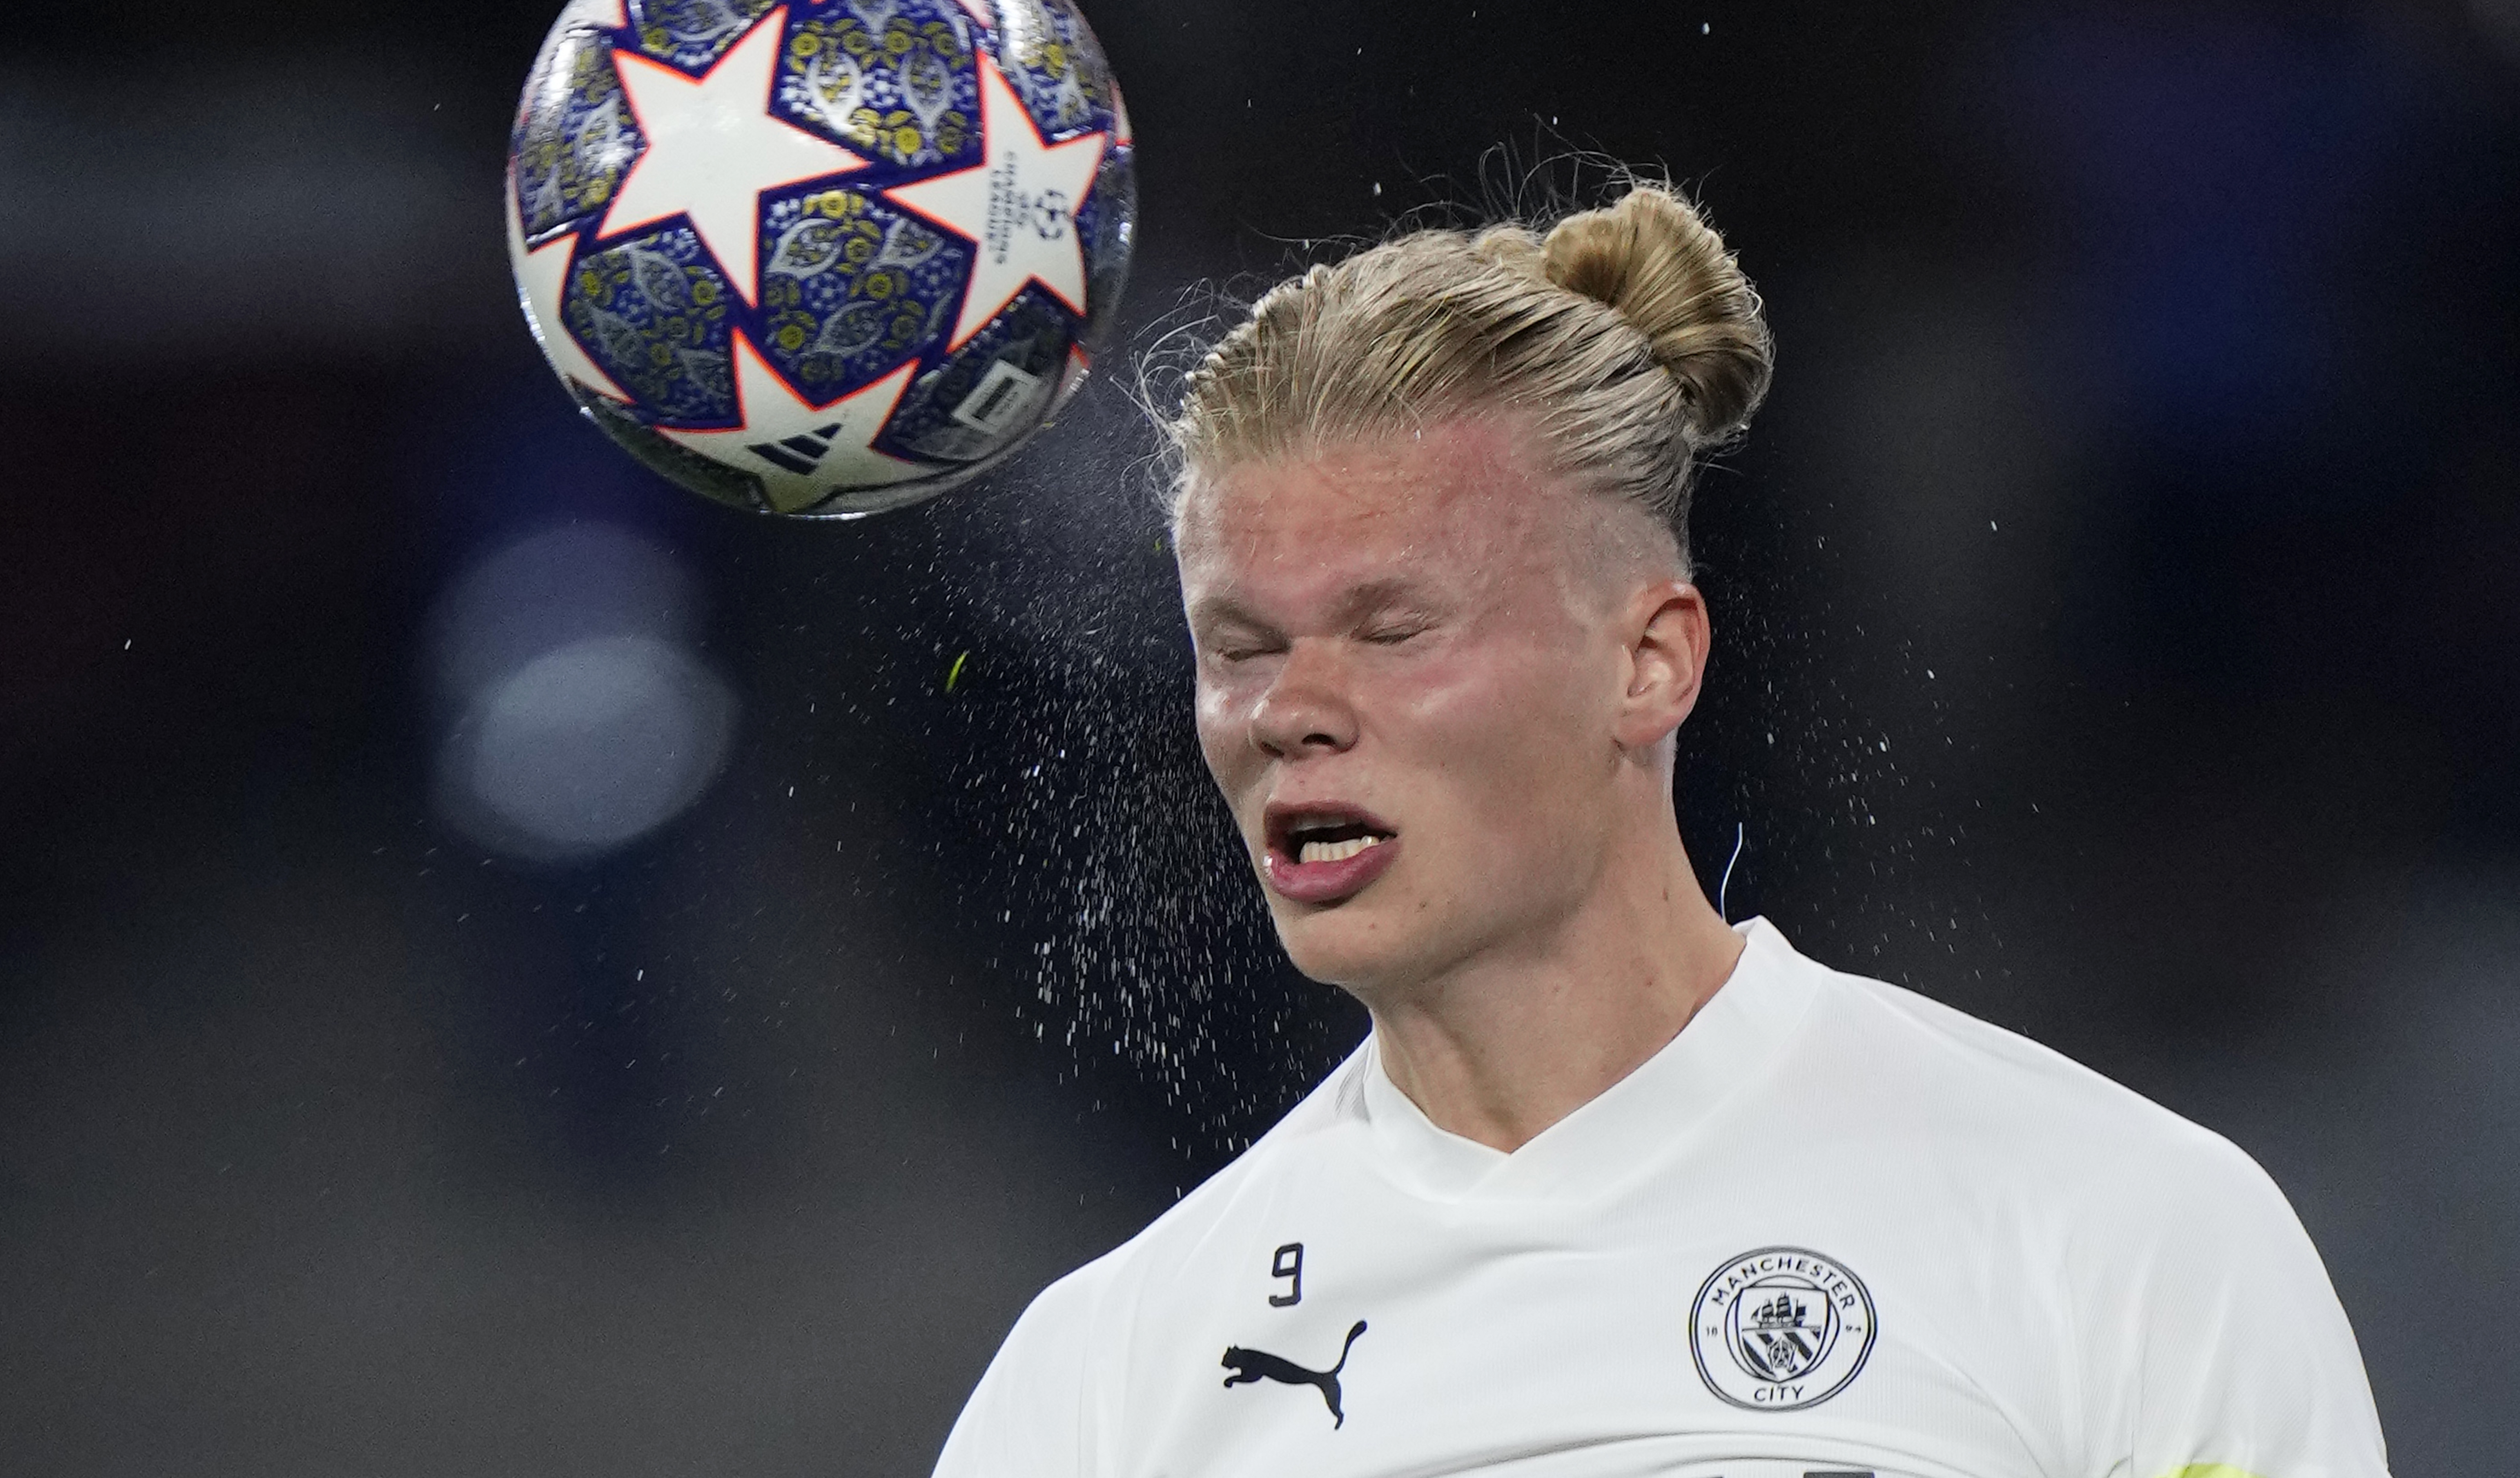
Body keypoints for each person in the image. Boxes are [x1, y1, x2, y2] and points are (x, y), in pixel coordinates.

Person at [932, 182, 2389, 1477]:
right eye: (1239, 649)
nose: (1289, 712)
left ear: (1650, 663)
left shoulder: (2114, 1235)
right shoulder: (1106, 1387)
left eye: (1392, 629)